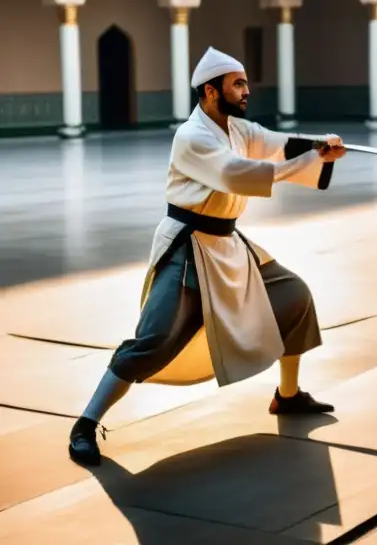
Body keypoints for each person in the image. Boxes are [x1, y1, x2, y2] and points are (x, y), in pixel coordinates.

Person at [68, 47, 347, 467]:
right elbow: (238, 173)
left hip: (230, 245)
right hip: (189, 245)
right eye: (238, 83)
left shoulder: (237, 128)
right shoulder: (192, 137)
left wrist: (321, 147)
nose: (246, 90)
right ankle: (86, 424)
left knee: (294, 295)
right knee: (156, 339)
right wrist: (311, 158)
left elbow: (278, 146)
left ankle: (287, 396)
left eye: (246, 82)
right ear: (211, 91)